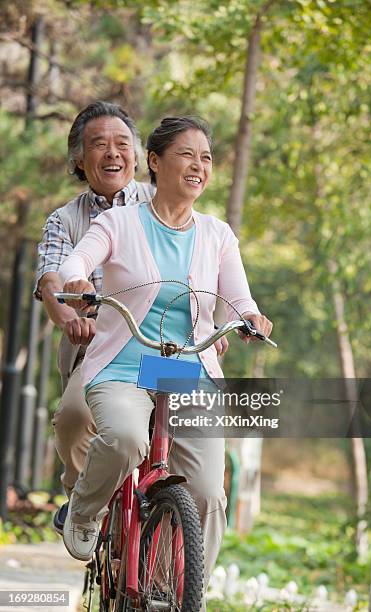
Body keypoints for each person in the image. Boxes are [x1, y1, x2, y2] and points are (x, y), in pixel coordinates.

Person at [59, 116, 273, 597]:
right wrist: (75, 280)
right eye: (187, 154)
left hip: (184, 368)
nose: (199, 165)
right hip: (125, 364)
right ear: (154, 162)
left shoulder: (217, 235)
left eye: (207, 158)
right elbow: (78, 260)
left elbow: (240, 298)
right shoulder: (117, 222)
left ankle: (181, 593)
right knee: (126, 438)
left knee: (207, 494)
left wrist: (251, 318)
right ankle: (85, 511)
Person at [35, 101, 156, 531]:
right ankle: (86, 499)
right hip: (99, 346)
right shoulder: (65, 221)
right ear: (78, 159)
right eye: (99, 144)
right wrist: (69, 316)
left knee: (200, 441)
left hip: (165, 346)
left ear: (138, 156)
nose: (112, 153)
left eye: (122, 143)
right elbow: (52, 283)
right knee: (75, 418)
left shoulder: (163, 204)